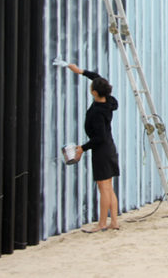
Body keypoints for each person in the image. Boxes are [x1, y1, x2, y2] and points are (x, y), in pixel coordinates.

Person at [54, 59, 120, 232]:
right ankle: (114, 222)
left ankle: (101, 224)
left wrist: (82, 148)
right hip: (109, 148)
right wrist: (80, 71)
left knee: (103, 187)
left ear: (95, 93)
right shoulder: (109, 100)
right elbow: (98, 78)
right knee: (108, 186)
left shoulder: (98, 112)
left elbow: (99, 137)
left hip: (102, 150)